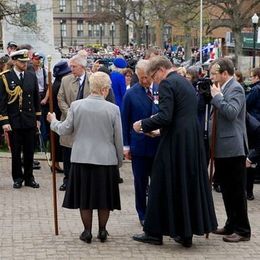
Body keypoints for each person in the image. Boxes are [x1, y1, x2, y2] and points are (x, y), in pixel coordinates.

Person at [132, 56, 217, 247]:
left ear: (161, 70)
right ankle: (184, 232)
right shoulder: (184, 82)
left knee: (160, 182)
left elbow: (165, 115)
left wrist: (143, 124)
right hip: (189, 139)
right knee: (184, 184)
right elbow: (179, 114)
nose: (154, 81)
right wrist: (160, 130)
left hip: (176, 142)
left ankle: (154, 232)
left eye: (153, 76)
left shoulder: (167, 84)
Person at [47, 71, 123, 243]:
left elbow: (65, 129)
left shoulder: (76, 106)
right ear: (104, 89)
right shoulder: (113, 109)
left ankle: (87, 231)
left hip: (82, 158)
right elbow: (118, 138)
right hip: (105, 159)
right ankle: (102, 230)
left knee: (85, 197)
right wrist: (118, 160)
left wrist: (53, 121)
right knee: (104, 198)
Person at [209, 57, 251, 243]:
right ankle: (231, 223)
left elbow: (232, 112)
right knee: (226, 189)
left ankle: (243, 230)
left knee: (236, 190)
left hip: (233, 147)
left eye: (214, 73)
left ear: (224, 73)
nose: (211, 77)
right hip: (222, 147)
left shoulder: (236, 88)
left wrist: (217, 97)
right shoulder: (223, 87)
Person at [121, 59, 160, 227]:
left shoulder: (161, 89)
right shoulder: (131, 94)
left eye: (147, 77)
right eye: (141, 77)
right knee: (140, 182)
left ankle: (156, 212)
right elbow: (125, 121)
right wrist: (126, 146)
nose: (145, 81)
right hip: (140, 146)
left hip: (158, 144)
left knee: (158, 182)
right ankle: (142, 213)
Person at [0, 49, 41, 189]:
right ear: (15, 62)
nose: (25, 64)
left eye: (26, 61)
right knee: (16, 152)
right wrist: (4, 121)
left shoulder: (31, 76)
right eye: (22, 62)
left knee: (30, 151)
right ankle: (17, 178)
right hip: (14, 121)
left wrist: (38, 119)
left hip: (29, 119)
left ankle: (29, 177)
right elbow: (2, 102)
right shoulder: (5, 77)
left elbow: (36, 98)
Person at [57, 54, 91, 191]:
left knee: (85, 153)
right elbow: (60, 98)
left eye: (74, 66)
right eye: (70, 66)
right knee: (67, 152)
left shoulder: (92, 80)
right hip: (68, 122)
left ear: (82, 67)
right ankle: (68, 180)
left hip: (87, 123)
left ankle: (84, 181)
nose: (71, 69)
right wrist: (70, 113)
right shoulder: (66, 80)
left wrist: (82, 115)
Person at [51, 60, 72, 172]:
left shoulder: (57, 83)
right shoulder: (60, 84)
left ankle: (55, 162)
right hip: (59, 115)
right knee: (58, 141)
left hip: (57, 113)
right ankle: (55, 163)